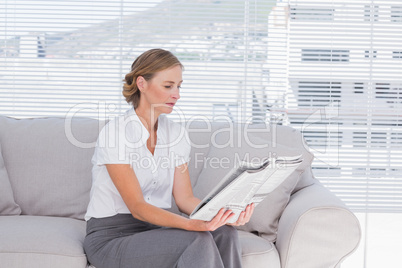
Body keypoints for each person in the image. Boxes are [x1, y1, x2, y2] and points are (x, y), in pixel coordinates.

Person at [83, 48, 255, 268]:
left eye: (179, 86)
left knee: (225, 232)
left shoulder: (176, 134)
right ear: (141, 84)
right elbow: (137, 207)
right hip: (111, 236)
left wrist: (224, 214)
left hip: (155, 230)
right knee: (196, 238)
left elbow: (184, 199)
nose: (177, 94)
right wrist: (191, 225)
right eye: (168, 86)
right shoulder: (116, 133)